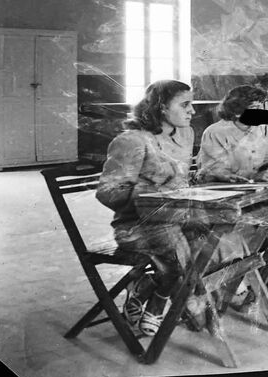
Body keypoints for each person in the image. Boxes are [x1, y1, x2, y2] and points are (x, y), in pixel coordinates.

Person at [96, 80, 247, 336]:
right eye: (185, 105)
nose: (193, 112)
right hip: (139, 226)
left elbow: (180, 182)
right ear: (161, 108)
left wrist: (212, 177)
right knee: (186, 265)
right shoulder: (132, 140)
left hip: (178, 219)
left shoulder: (185, 134)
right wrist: (149, 191)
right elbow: (108, 193)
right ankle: (161, 299)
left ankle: (149, 288)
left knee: (223, 238)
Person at [193, 84, 268, 304]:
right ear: (236, 109)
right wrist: (253, 178)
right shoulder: (216, 131)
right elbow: (213, 171)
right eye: (254, 108)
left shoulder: (260, 127)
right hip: (222, 197)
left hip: (251, 195)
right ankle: (263, 276)